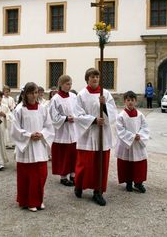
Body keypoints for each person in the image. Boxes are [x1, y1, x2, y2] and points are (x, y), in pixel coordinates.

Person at [74, 68, 118, 206]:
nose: (95, 79)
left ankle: (98, 191)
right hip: (87, 135)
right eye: (92, 77)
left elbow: (114, 112)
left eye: (97, 77)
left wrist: (104, 104)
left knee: (101, 164)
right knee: (85, 164)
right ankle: (79, 185)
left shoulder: (105, 93)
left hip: (102, 135)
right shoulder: (81, 95)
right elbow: (77, 115)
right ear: (87, 78)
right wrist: (93, 120)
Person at [11, 82, 54, 212]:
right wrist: (29, 135)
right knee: (28, 176)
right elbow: (15, 129)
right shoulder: (19, 109)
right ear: (25, 94)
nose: (34, 96)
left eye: (35, 93)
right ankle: (28, 201)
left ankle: (38, 199)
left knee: (41, 174)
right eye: (31, 93)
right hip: (27, 147)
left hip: (39, 145)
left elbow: (49, 126)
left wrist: (42, 134)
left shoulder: (42, 108)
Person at [115, 91, 150, 193]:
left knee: (139, 164)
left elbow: (145, 127)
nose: (130, 102)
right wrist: (131, 136)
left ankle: (138, 183)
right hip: (127, 144)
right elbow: (119, 129)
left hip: (138, 143)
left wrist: (140, 135)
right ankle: (128, 182)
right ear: (124, 101)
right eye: (128, 100)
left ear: (136, 101)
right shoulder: (121, 115)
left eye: (132, 100)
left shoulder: (140, 115)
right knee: (126, 164)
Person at [49, 75, 77, 186]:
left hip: (73, 129)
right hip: (62, 131)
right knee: (64, 154)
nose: (69, 86)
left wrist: (76, 116)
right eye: (67, 84)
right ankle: (63, 176)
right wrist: (65, 118)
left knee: (73, 154)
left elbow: (78, 109)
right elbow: (53, 116)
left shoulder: (74, 96)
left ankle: (73, 175)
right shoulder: (55, 99)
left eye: (70, 84)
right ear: (61, 84)